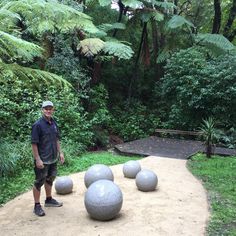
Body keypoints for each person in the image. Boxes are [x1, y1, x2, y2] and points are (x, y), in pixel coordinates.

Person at [31, 101, 65, 216]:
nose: (48, 111)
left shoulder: (54, 123)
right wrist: (37, 159)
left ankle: (49, 199)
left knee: (50, 179)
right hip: (43, 160)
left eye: (50, 108)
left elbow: (56, 139)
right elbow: (34, 144)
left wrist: (60, 153)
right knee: (39, 182)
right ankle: (36, 205)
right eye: (46, 109)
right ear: (42, 110)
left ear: (53, 110)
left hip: (53, 158)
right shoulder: (37, 125)